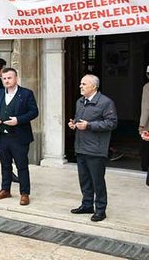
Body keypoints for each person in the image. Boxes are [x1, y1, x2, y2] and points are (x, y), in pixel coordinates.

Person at [68, 74, 118, 222]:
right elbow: (80, 120)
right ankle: (87, 205)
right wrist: (75, 124)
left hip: (96, 149)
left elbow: (112, 123)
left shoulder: (105, 102)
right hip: (81, 146)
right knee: (84, 180)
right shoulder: (80, 102)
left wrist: (89, 125)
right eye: (81, 83)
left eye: (84, 84)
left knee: (97, 181)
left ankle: (100, 210)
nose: (80, 86)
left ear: (94, 86)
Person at [0, 68, 39, 206]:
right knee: (5, 165)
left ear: (16, 78)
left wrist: (18, 120)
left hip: (19, 137)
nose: (6, 80)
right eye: (4, 78)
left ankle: (25, 193)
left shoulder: (26, 94)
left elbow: (34, 112)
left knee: (21, 166)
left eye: (9, 78)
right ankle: (5, 189)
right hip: (3, 136)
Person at [139, 65, 149, 184]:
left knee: (146, 147)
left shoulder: (147, 87)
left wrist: (142, 125)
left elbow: (146, 108)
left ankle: (145, 168)